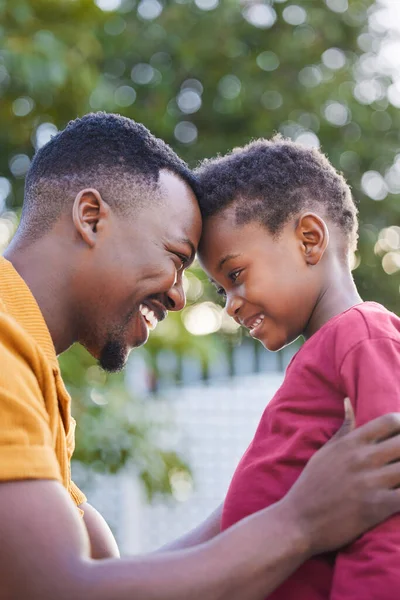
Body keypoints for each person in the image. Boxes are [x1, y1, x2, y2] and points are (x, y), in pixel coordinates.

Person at [1, 114, 400, 600]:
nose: (179, 298)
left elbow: (107, 571)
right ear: (90, 217)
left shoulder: (31, 373)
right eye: (175, 258)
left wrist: (281, 508)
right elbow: (60, 588)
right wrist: (300, 520)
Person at [196, 135, 400, 600]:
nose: (230, 305)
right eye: (221, 290)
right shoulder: (323, 354)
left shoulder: (363, 336)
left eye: (236, 275)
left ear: (310, 239)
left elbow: (391, 513)